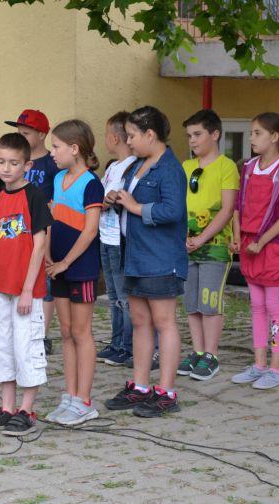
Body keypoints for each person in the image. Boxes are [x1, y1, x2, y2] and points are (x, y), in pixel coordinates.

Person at [102, 106, 188, 418]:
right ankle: (140, 386)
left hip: (160, 257)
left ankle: (166, 392)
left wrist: (136, 207)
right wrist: (115, 200)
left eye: (133, 135)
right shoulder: (137, 165)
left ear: (150, 135)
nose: (128, 141)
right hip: (135, 255)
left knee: (164, 323)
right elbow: (129, 201)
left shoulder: (170, 168)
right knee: (140, 320)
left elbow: (172, 211)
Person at [0, 132, 53, 436]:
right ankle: (7, 407)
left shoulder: (34, 197)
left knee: (26, 347)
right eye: (1, 162)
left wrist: (29, 289)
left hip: (24, 290)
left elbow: (40, 244)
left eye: (14, 163)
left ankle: (26, 410)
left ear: (27, 165)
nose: (6, 168)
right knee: (1, 346)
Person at [230, 113, 279, 391]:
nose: (251, 138)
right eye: (251, 133)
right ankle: (259, 364)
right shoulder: (248, 167)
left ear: (275, 137)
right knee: (257, 307)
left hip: (273, 247)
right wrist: (237, 237)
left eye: (257, 133)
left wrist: (261, 242)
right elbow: (238, 206)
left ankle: (277, 367)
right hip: (250, 246)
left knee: (274, 307)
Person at [42, 119, 103, 425]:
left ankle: (84, 400)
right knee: (65, 331)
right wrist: (48, 255)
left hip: (81, 268)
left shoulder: (92, 183)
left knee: (81, 331)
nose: (52, 152)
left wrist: (66, 262)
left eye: (56, 146)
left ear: (75, 148)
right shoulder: (58, 178)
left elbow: (90, 231)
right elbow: (52, 221)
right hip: (58, 267)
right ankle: (69, 395)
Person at [179, 109, 239, 381]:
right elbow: (180, 206)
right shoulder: (186, 167)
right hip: (187, 246)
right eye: (189, 135)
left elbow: (227, 210)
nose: (192, 140)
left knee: (209, 301)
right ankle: (198, 350)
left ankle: (211, 355)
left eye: (197, 134)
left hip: (214, 247)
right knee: (191, 302)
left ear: (214, 134)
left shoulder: (227, 167)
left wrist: (202, 238)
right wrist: (183, 237)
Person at [5, 108, 59, 354]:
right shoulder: (14, 161)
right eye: (19, 132)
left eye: (26, 133)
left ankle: (42, 334)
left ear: (42, 134)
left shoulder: (51, 164)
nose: (21, 136)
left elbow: (55, 202)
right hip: (16, 228)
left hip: (42, 229)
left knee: (43, 282)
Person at [97, 111, 137, 366]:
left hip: (120, 240)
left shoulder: (132, 166)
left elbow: (113, 199)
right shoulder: (112, 167)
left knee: (124, 297)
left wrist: (106, 201)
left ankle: (128, 346)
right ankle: (116, 342)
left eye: (106, 135)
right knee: (113, 295)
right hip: (105, 237)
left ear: (114, 138)